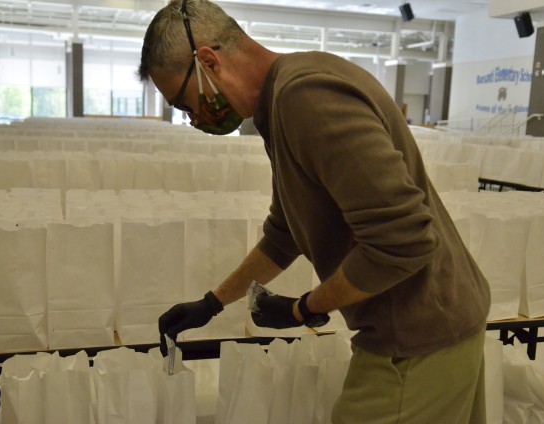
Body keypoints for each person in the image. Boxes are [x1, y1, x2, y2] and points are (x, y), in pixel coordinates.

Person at [137, 1, 491, 422]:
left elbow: (403, 240)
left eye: (183, 103)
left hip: (418, 339)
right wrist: (212, 303)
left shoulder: (305, 98)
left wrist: (302, 308)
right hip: (434, 327)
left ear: (208, 62)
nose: (193, 119)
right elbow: (284, 232)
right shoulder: (283, 100)